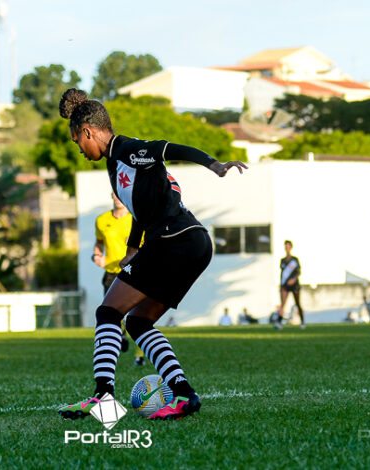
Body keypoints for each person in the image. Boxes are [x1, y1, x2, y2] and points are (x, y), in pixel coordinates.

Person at [56, 89, 247, 420]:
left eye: (77, 142)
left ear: (87, 132)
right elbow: (141, 212)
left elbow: (167, 149)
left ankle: (102, 397)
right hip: (192, 242)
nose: (80, 151)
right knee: (139, 321)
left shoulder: (127, 150)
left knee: (108, 312)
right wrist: (132, 250)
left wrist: (214, 165)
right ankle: (185, 396)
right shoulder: (116, 162)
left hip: (174, 240)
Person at [93, 192, 146, 366]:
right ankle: (120, 336)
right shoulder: (101, 220)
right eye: (114, 194)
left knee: (137, 315)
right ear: (111, 196)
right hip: (111, 273)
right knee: (109, 312)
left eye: (119, 194)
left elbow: (146, 244)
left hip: (133, 271)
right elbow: (99, 242)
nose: (117, 197)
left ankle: (139, 356)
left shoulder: (136, 219)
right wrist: (97, 255)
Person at [275, 240, 305, 330]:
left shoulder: (295, 260)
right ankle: (279, 322)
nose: (287, 248)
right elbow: (282, 273)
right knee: (283, 304)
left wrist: (293, 279)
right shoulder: (282, 260)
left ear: (291, 247)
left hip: (294, 284)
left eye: (288, 246)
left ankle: (302, 322)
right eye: (285, 246)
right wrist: (281, 285)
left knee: (297, 303)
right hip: (285, 284)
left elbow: (298, 272)